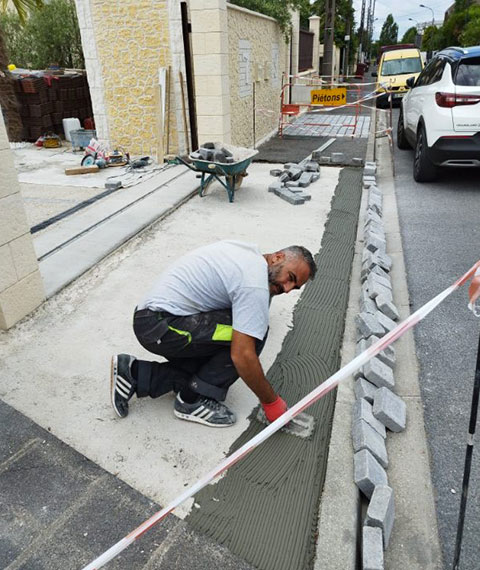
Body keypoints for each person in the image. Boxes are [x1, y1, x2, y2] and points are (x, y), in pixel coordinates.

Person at [111, 240, 316, 428]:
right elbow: (243, 355)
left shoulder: (249, 256)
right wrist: (272, 403)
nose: (287, 289)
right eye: (290, 278)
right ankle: (192, 400)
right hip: (160, 325)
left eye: (294, 287)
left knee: (214, 365)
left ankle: (135, 374)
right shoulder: (253, 282)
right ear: (277, 257)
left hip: (153, 318)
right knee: (251, 340)